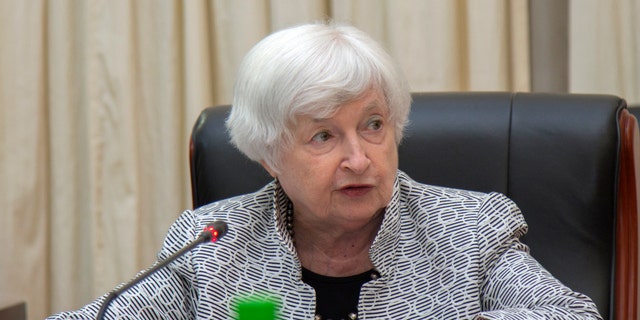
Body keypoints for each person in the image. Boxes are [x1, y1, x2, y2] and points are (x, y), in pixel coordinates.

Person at [47, 22, 602, 320]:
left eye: (374, 125)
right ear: (267, 154)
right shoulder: (211, 244)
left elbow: (571, 316)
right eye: (322, 136)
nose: (359, 159)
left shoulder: (473, 228)